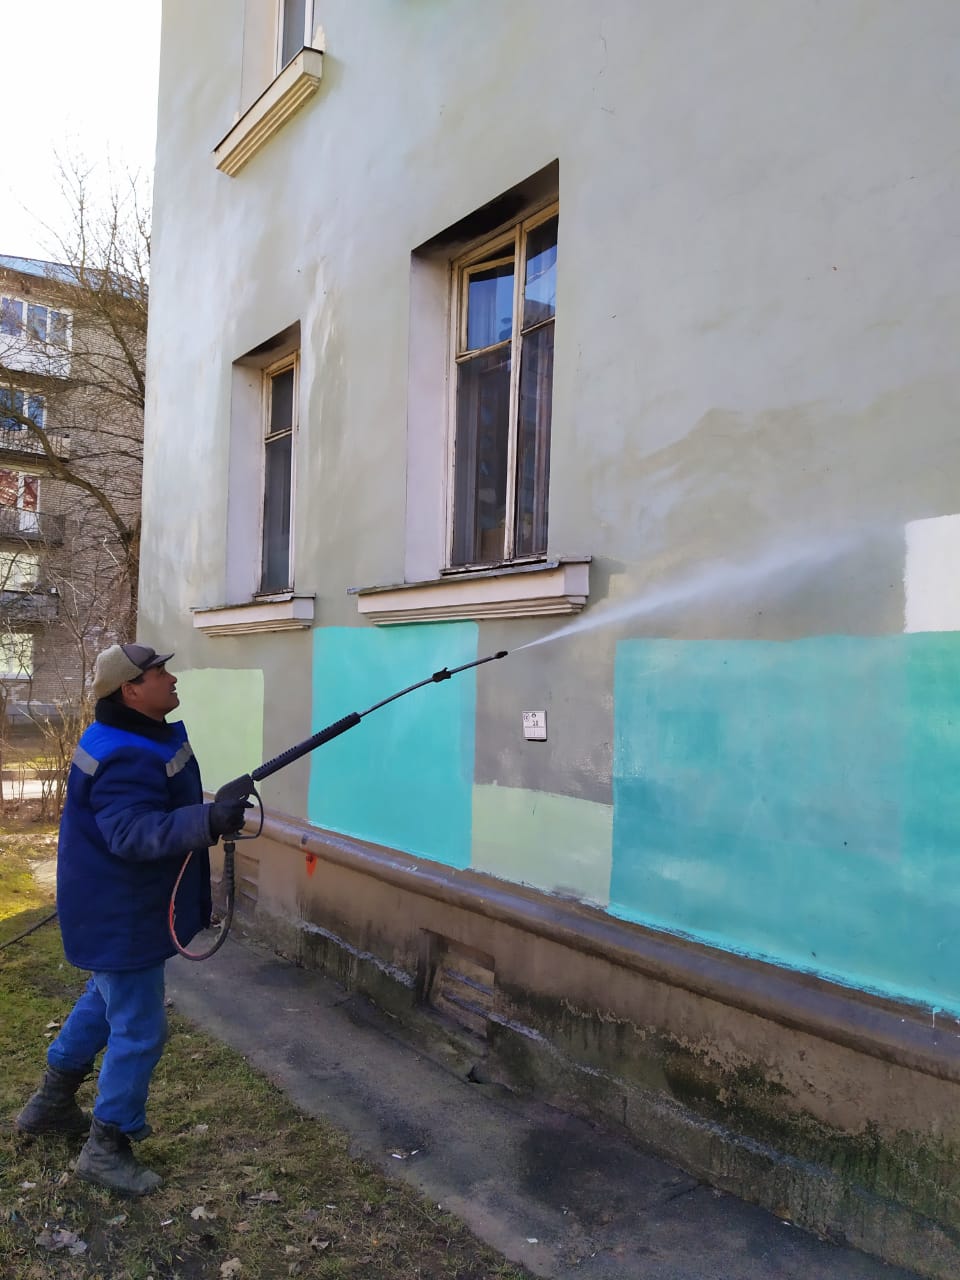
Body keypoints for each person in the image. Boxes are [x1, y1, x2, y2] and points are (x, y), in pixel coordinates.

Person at [15, 642, 249, 1195]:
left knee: (104, 999)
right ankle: (106, 1148)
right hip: (121, 911)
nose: (172, 678)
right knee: (140, 1029)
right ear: (130, 690)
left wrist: (211, 810)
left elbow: (153, 807)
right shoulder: (123, 752)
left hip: (118, 904)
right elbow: (131, 832)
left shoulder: (132, 735)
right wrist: (208, 820)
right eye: (159, 672)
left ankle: (50, 1103)